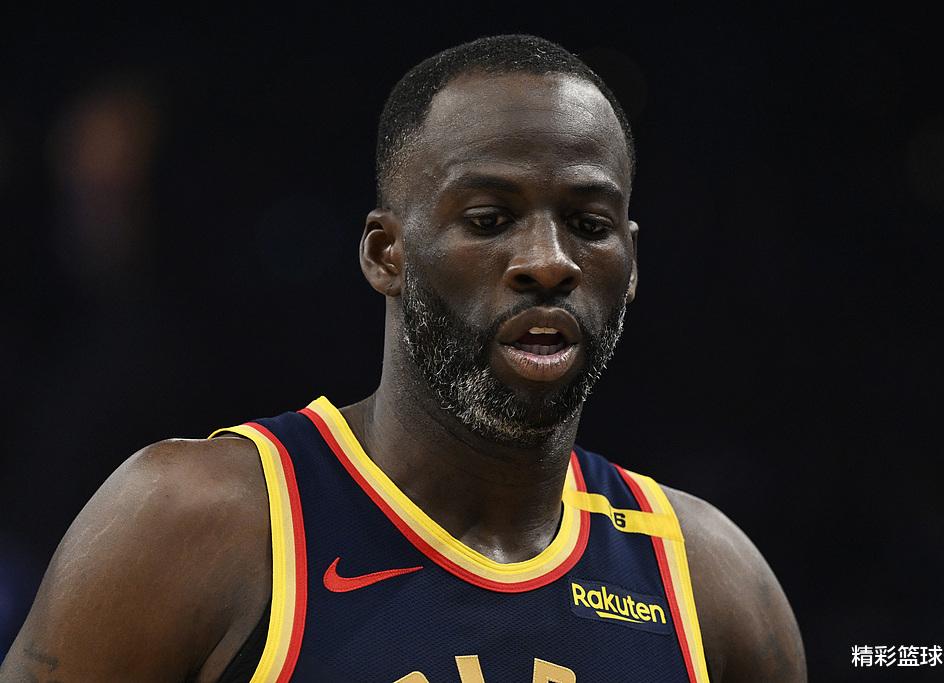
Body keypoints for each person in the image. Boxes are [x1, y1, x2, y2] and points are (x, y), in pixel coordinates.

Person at [1, 34, 806, 682]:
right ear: (386, 253)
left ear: (630, 265)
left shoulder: (714, 584)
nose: (548, 261)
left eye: (589, 226)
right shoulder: (191, 525)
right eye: (489, 219)